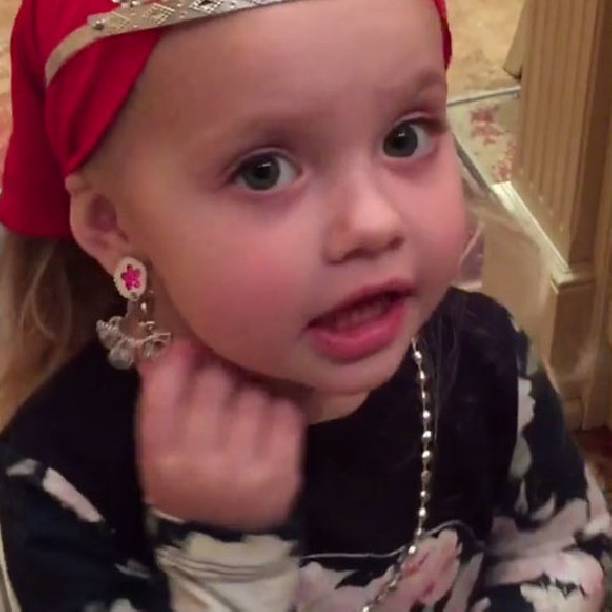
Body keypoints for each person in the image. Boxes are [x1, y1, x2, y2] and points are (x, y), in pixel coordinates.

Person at [0, 0, 609, 609]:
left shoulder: (489, 357)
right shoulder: (61, 482)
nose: (373, 222)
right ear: (113, 224)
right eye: (263, 171)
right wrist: (223, 576)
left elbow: (566, 545)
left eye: (403, 138)